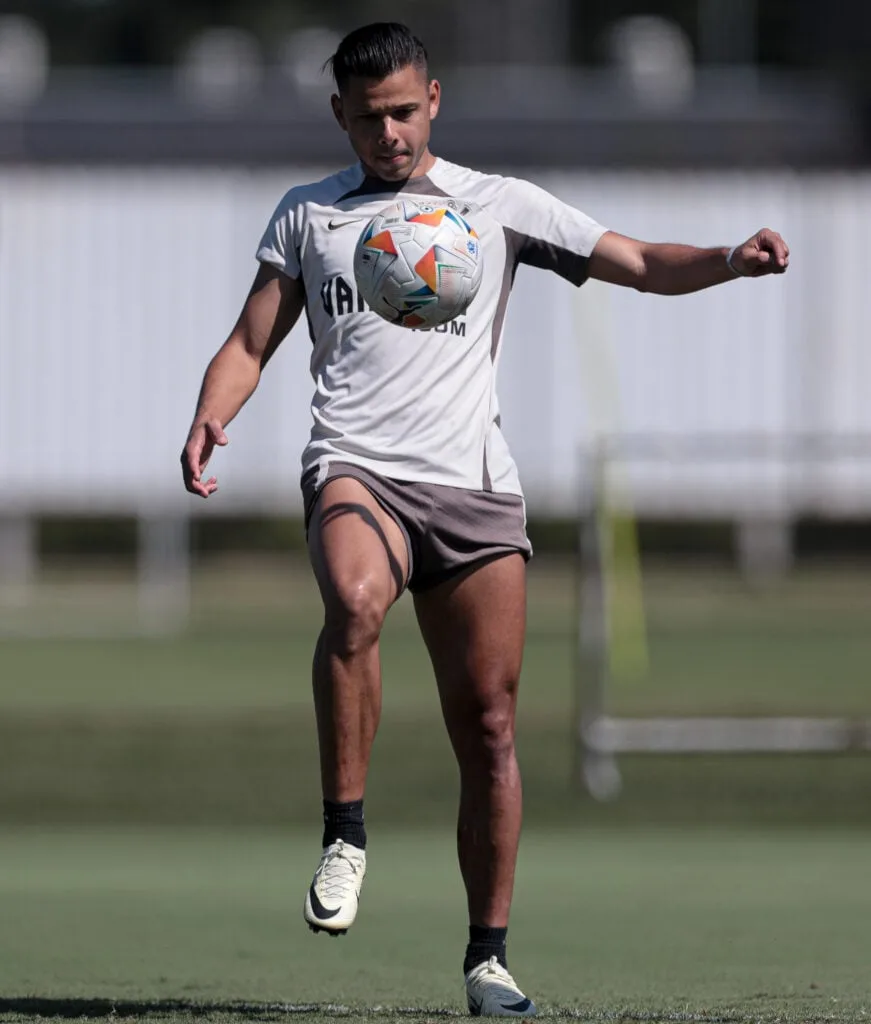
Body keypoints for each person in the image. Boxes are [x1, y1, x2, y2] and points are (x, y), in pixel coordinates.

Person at [181, 21, 789, 1016]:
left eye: (406, 110)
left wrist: (729, 256)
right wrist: (212, 411)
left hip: (471, 488)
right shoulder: (309, 216)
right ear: (340, 115)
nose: (390, 132)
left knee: (493, 728)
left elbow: (634, 258)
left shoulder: (500, 206)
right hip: (358, 469)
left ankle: (488, 956)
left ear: (435, 100)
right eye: (369, 116)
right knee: (354, 599)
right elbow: (250, 340)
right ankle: (345, 834)